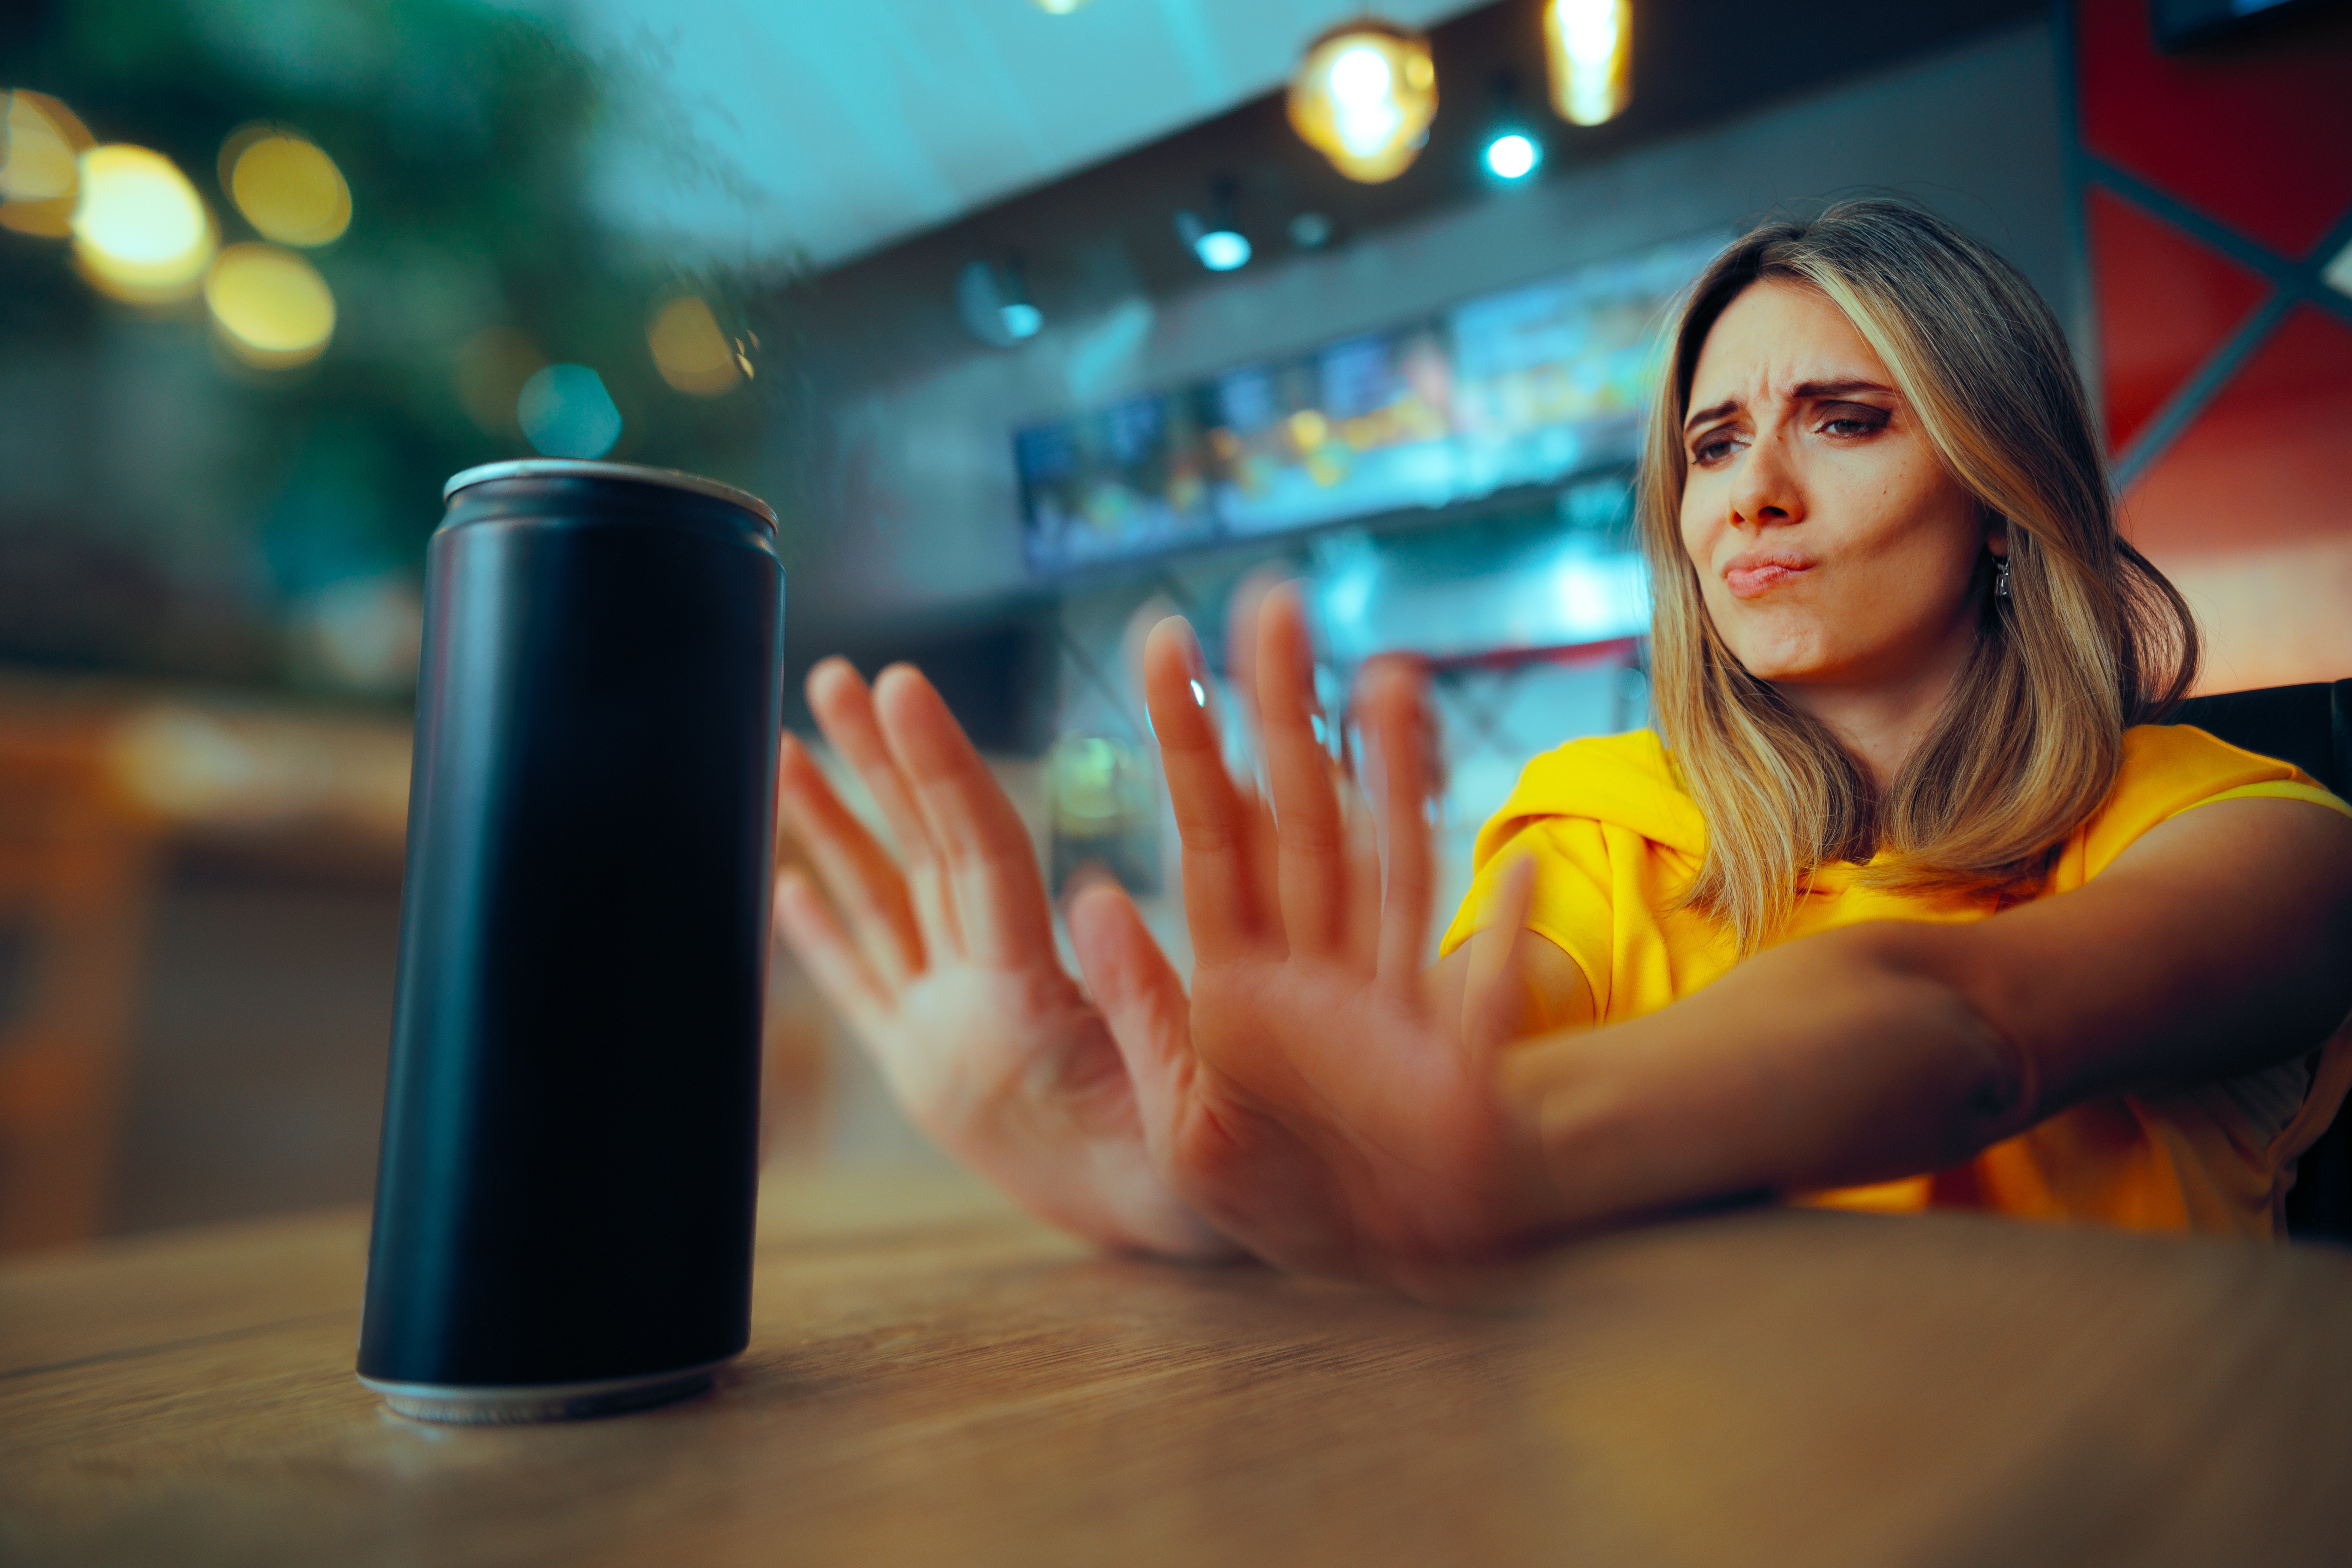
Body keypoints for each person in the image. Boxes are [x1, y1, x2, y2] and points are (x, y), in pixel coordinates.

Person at [772, 201, 2352, 1285]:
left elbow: (1961, 1030)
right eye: (1714, 443)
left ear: (2005, 491)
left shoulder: (2256, 837)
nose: (1750, 493)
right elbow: (1439, 1075)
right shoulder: (1605, 817)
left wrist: (1467, 1156)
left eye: (1846, 419)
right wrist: (1196, 1166)